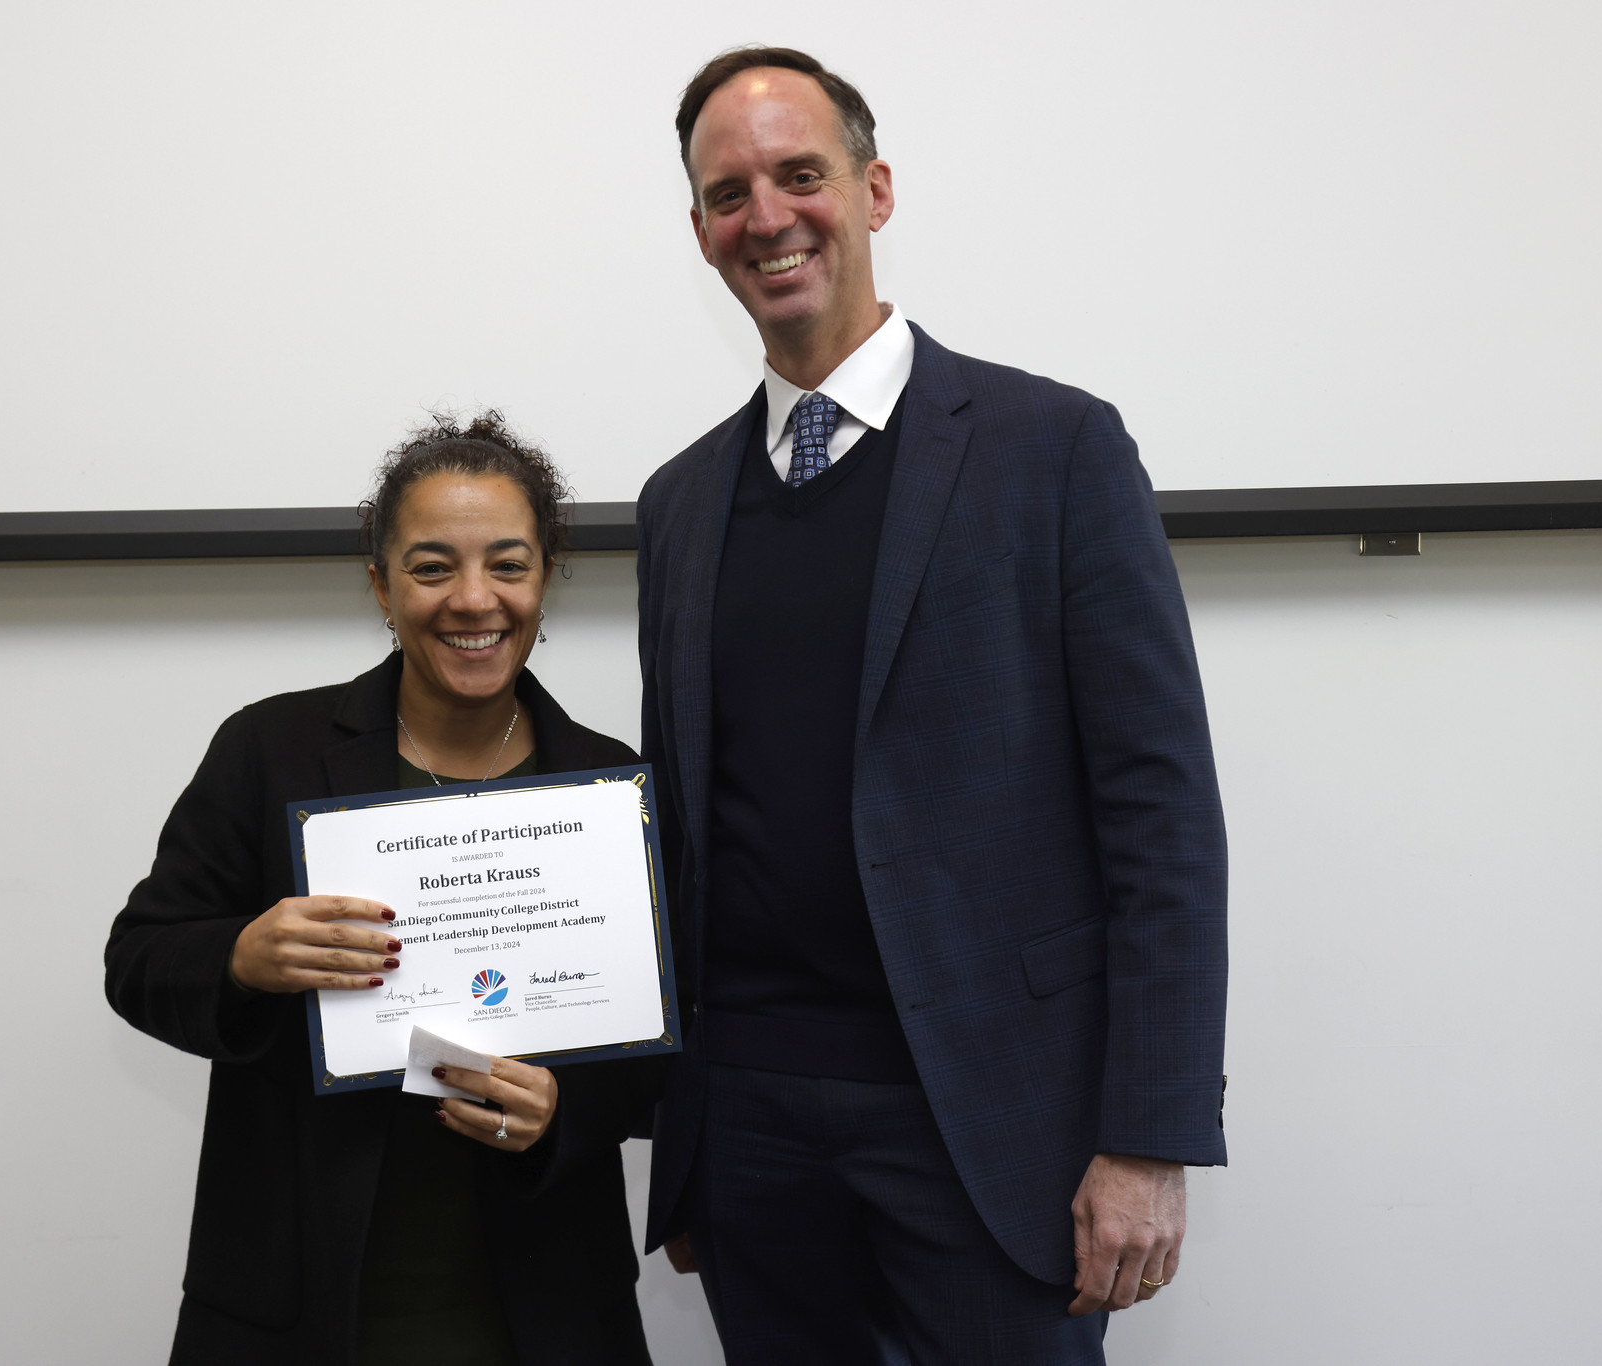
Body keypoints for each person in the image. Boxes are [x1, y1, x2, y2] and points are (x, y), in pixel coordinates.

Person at [635, 47, 1229, 1364]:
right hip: (753, 1134)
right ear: (700, 229)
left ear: (875, 190)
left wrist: (1149, 1134)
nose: (767, 218)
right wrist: (687, 1138)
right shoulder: (677, 505)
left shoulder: (1055, 450)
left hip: (994, 1124)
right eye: (729, 194)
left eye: (800, 175)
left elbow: (1162, 816)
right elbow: (677, 830)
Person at [105, 413, 661, 1365]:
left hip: (548, 1300)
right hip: (300, 1300)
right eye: (432, 567)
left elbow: (665, 1040)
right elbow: (139, 961)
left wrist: (565, 1110)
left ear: (545, 578)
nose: (474, 599)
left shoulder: (607, 784)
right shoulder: (270, 750)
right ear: (381, 585)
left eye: (509, 565)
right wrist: (242, 956)